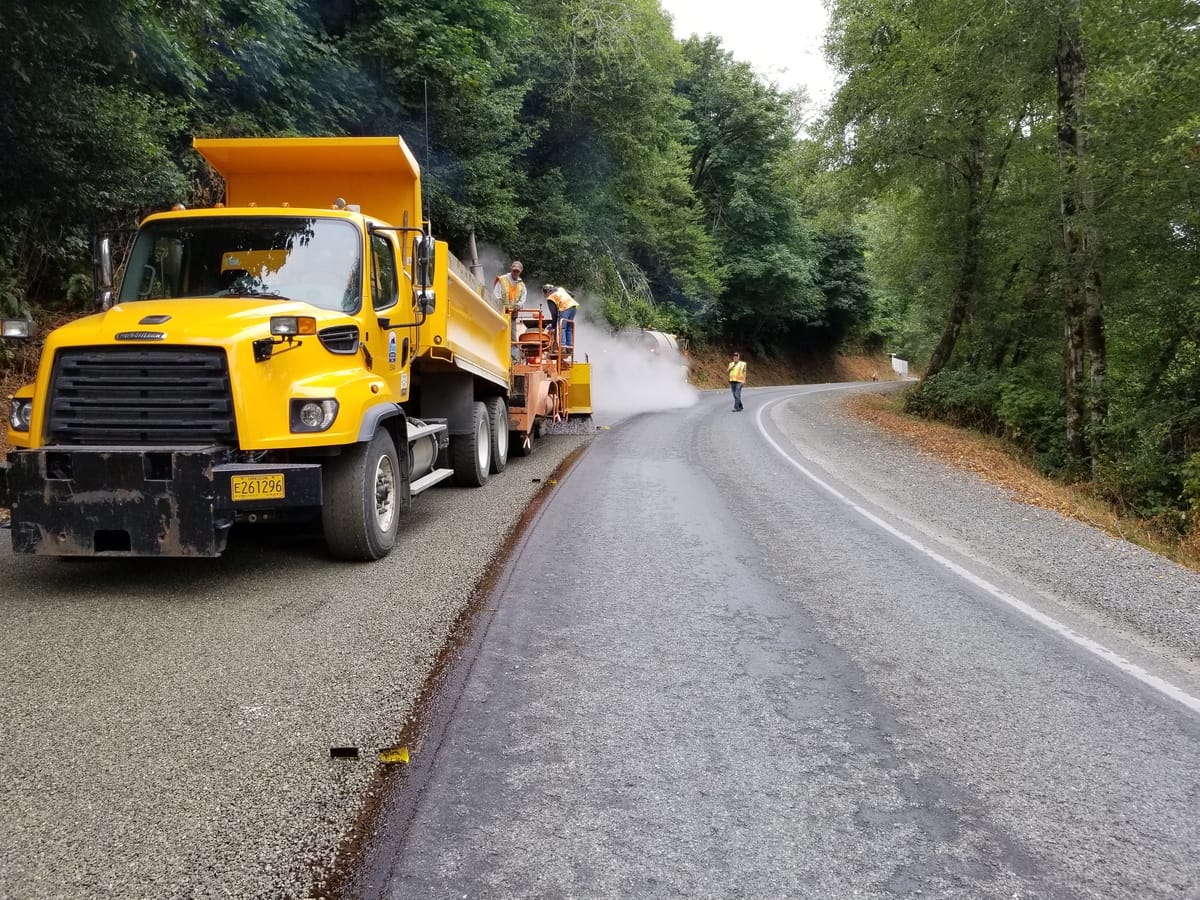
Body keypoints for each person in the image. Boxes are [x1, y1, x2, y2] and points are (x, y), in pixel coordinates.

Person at [493, 261, 527, 361]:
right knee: (499, 334)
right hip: (501, 314)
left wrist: (518, 306)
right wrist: (503, 307)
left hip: (513, 316)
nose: (515, 272)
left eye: (517, 271)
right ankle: (497, 355)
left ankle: (513, 360)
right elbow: (496, 296)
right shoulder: (502, 280)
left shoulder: (522, 285)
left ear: (520, 271)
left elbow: (522, 300)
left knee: (512, 338)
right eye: (514, 270)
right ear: (511, 269)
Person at [541, 283, 579, 355]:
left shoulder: (550, 297)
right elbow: (572, 295)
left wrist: (553, 326)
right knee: (569, 328)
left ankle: (563, 348)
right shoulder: (560, 289)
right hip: (574, 307)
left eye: (544, 292)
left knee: (562, 328)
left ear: (547, 291)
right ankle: (569, 348)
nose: (544, 295)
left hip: (565, 308)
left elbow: (554, 314)